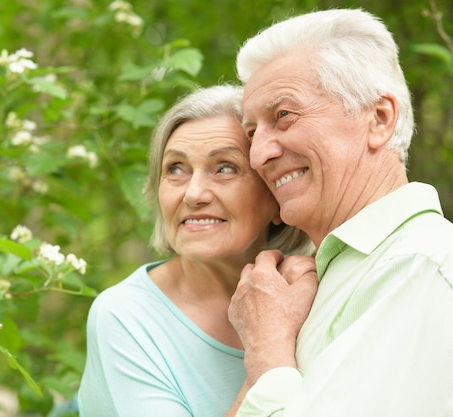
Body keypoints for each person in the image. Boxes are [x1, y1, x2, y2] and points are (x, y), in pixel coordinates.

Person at [227, 8, 453, 417]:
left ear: (379, 119)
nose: (259, 154)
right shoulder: (320, 277)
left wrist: (267, 348)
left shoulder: (423, 264)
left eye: (284, 116)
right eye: (251, 133)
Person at [78, 84, 312, 417]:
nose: (194, 193)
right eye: (175, 169)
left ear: (275, 197)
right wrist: (266, 358)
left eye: (224, 168)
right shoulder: (125, 316)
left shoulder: (308, 288)